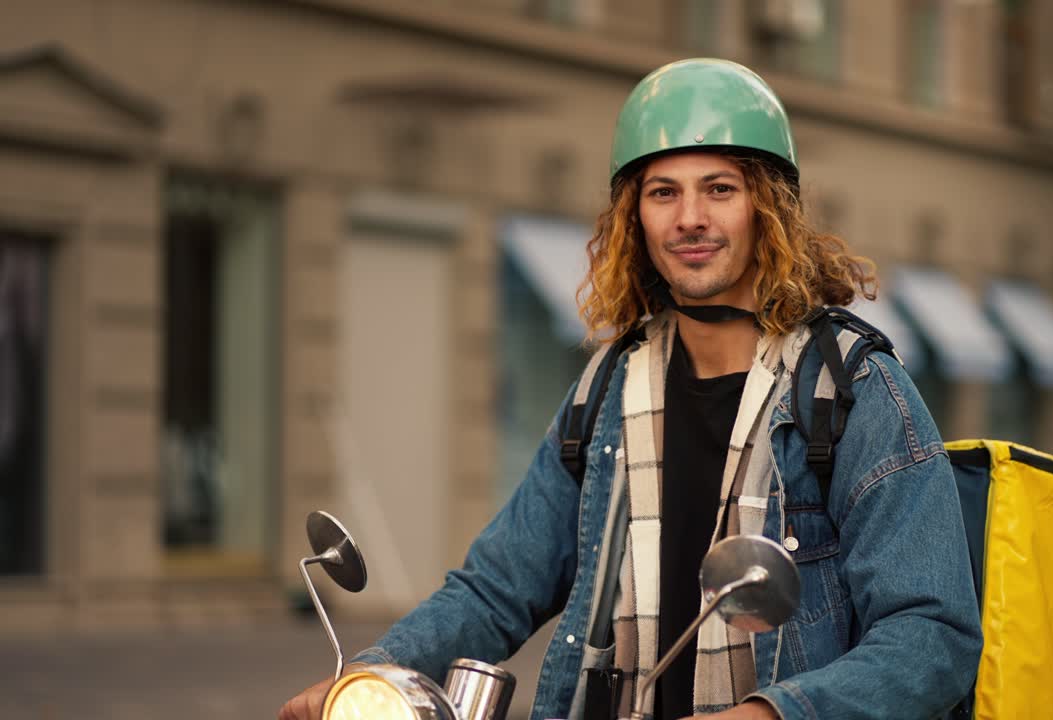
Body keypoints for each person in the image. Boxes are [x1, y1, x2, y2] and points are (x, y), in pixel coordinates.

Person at [281, 58, 981, 720]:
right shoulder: (610, 388)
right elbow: (497, 588)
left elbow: (932, 633)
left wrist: (775, 712)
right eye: (663, 192)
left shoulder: (849, 387)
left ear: (768, 209)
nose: (690, 219)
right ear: (634, 219)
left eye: (720, 188)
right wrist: (369, 675)